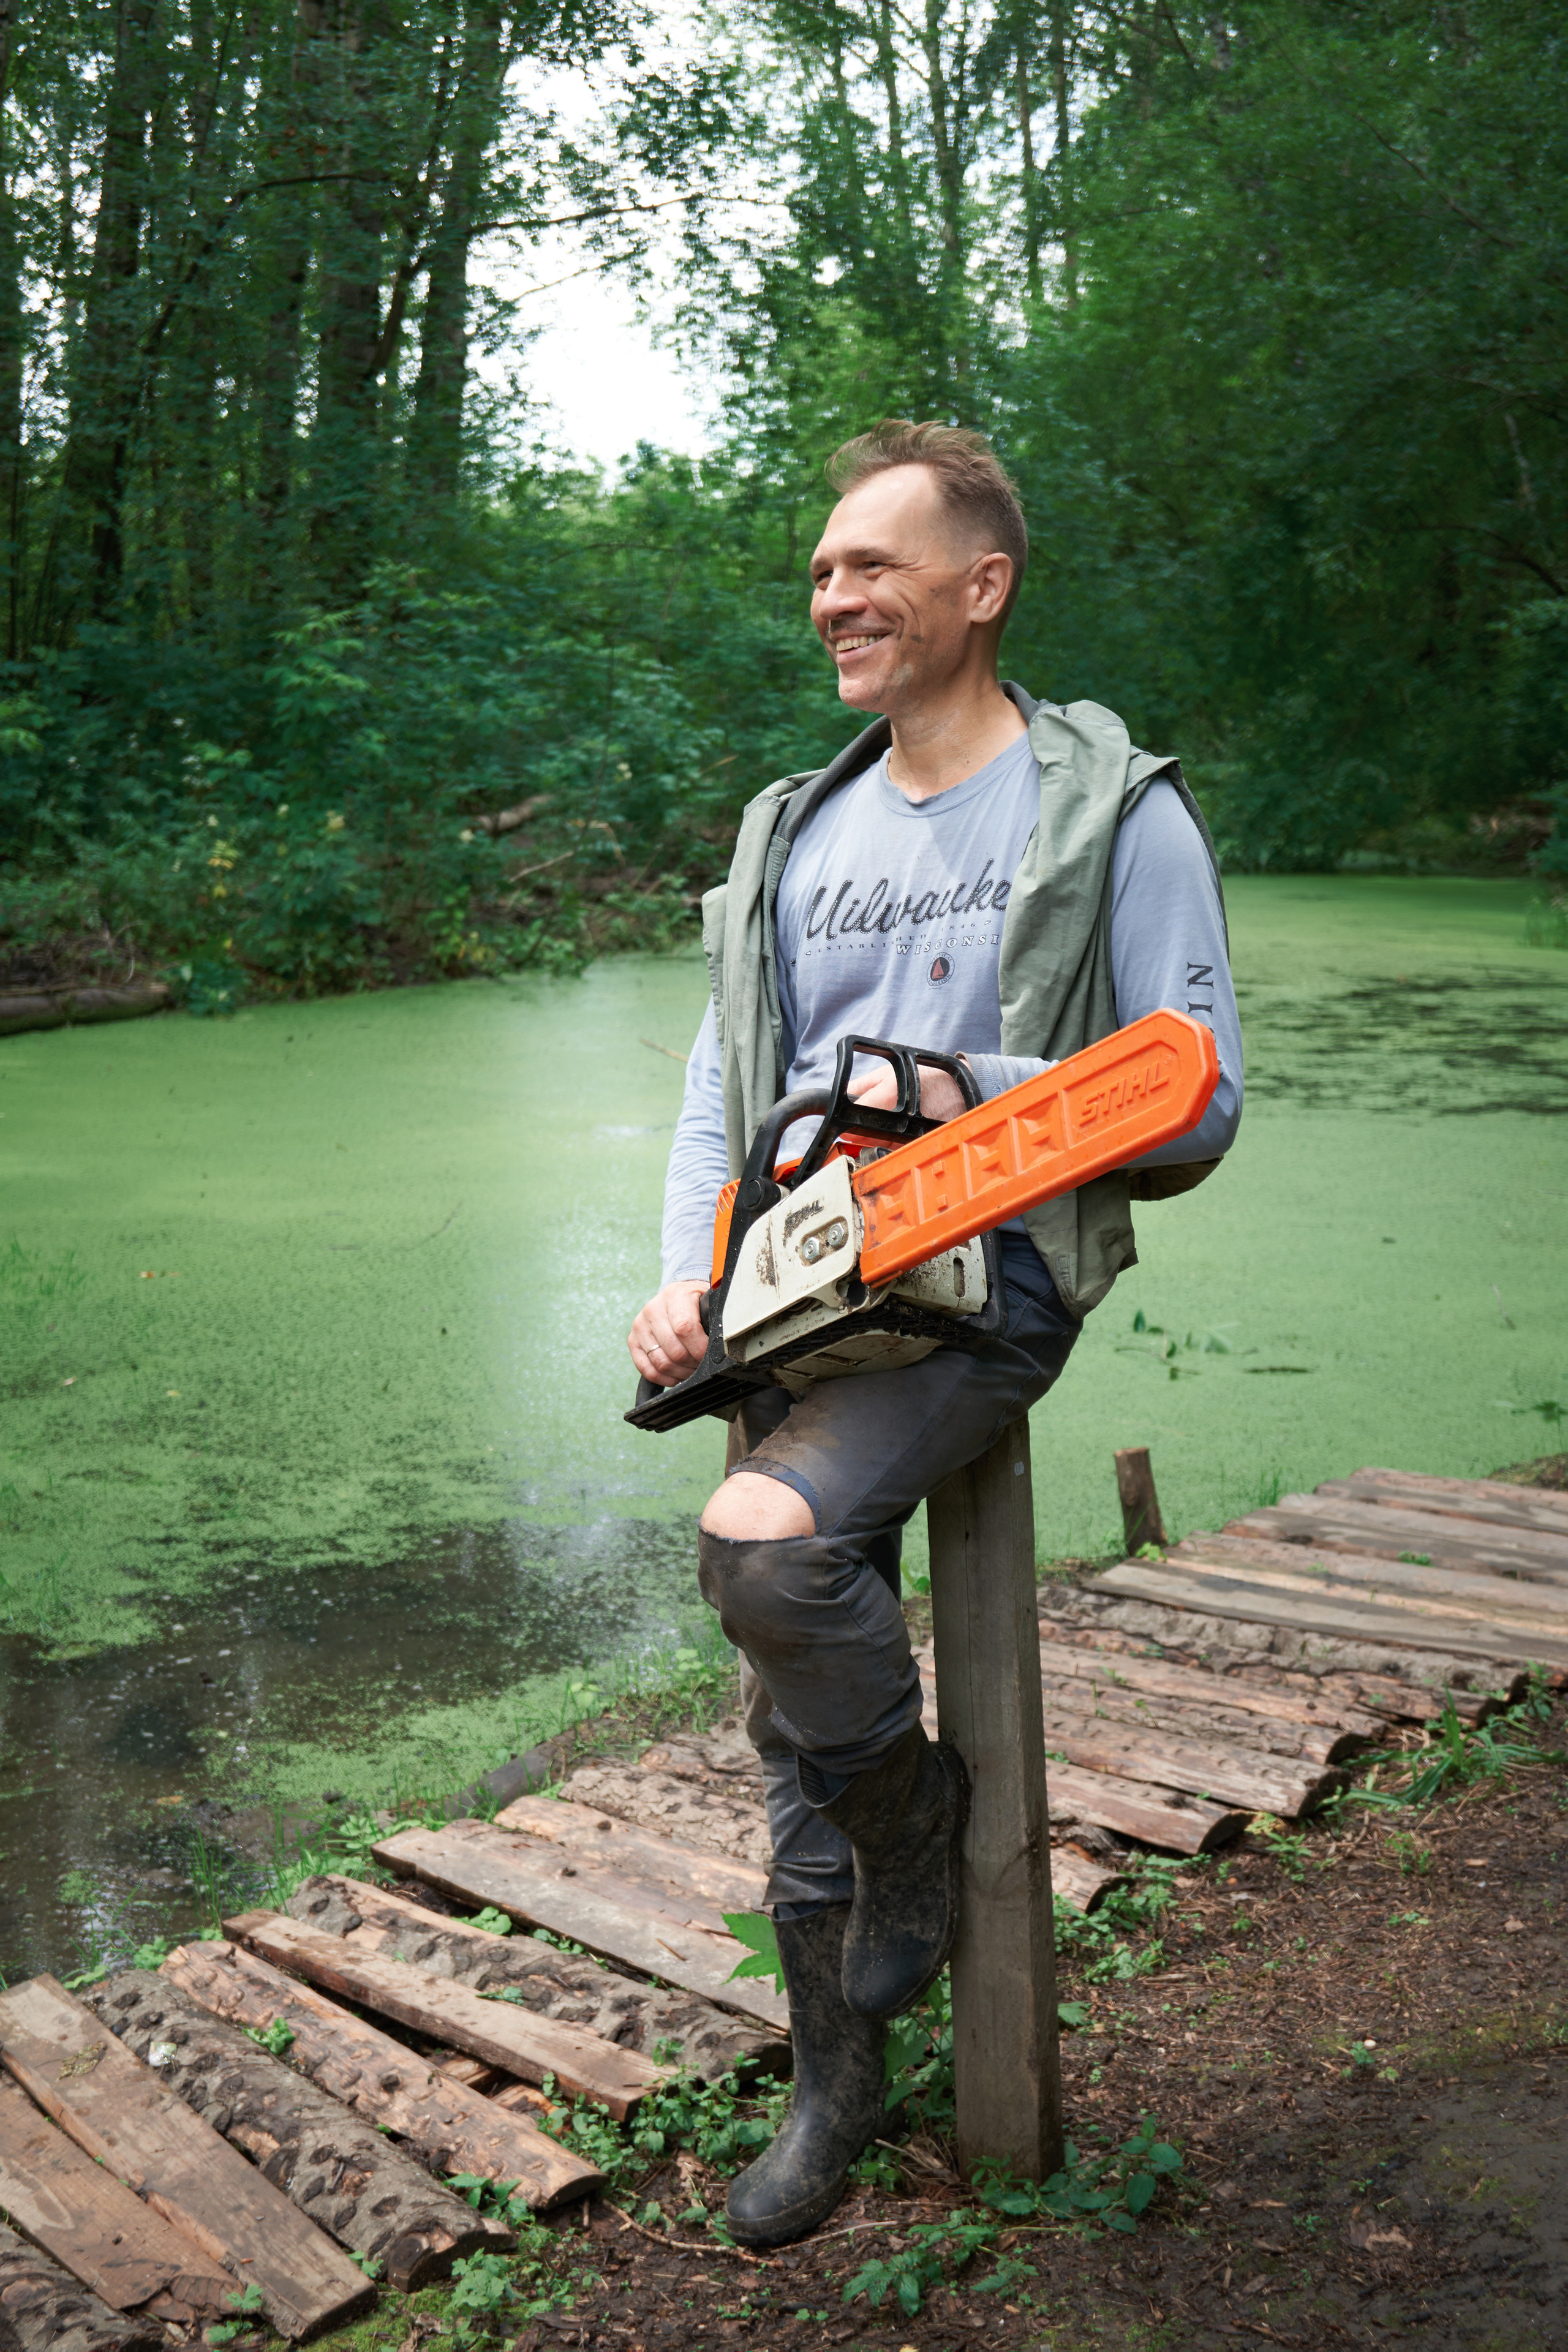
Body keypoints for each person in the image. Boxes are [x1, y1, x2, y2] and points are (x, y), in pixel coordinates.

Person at [626, 420, 1242, 2247]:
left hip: (990, 1289)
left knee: (765, 1554)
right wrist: (686, 1269)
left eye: (873, 565)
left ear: (984, 586)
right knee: (782, 1699)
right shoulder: (794, 830)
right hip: (792, 1288)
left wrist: (960, 1095)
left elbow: (1193, 1107)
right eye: (823, 569)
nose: (835, 597)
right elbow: (715, 1084)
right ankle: (834, 2082)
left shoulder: (1115, 811)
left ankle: (916, 1826)